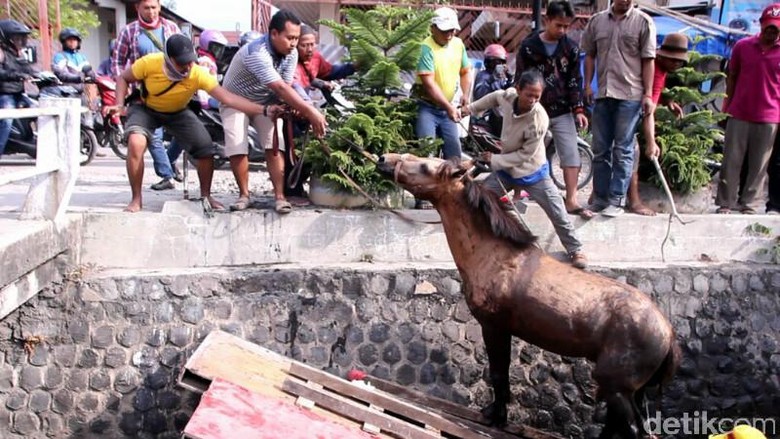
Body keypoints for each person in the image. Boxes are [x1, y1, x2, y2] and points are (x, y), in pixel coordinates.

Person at [107, 34, 273, 213]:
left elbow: (227, 98)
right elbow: (123, 78)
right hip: (146, 108)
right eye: (182, 63)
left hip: (177, 112)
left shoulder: (197, 73)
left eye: (190, 62)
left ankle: (206, 195)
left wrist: (263, 110)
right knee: (135, 142)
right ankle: (136, 199)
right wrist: (119, 104)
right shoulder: (149, 63)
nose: (187, 67)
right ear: (169, 59)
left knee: (205, 147)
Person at [461, 70, 588, 269]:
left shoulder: (539, 120)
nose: (532, 100)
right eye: (529, 94)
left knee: (557, 212)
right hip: (505, 171)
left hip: (532, 172)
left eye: (537, 97)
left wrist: (495, 159)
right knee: (478, 202)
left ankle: (575, 249)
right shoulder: (508, 97)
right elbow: (494, 97)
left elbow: (524, 155)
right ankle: (477, 242)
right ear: (518, 89)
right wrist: (469, 109)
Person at [220, 10, 327, 214]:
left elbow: (285, 87)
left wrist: (295, 108)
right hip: (236, 102)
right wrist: (311, 111)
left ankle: (279, 196)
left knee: (276, 142)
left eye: (296, 38)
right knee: (237, 144)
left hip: (266, 103)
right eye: (290, 38)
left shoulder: (291, 54)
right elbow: (280, 87)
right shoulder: (256, 52)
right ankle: (244, 195)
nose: (294, 43)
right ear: (274, 34)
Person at [516, 0, 591, 219]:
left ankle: (571, 199)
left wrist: (578, 109)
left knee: (570, 151)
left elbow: (575, 81)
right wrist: (519, 105)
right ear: (547, 20)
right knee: (524, 149)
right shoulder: (528, 46)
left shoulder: (571, 49)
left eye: (567, 26)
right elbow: (520, 78)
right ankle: (517, 193)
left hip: (561, 110)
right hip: (533, 109)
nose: (562, 30)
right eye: (558, 25)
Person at [581, 0, 656, 217]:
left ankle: (617, 200)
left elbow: (648, 59)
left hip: (630, 95)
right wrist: (587, 84)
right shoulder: (596, 21)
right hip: (603, 93)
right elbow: (590, 55)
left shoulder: (644, 22)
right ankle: (600, 198)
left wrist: (648, 94)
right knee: (600, 149)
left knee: (623, 149)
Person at [716, 3, 780, 215]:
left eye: (776, 28)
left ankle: (750, 204)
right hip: (739, 111)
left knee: (759, 165)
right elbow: (731, 77)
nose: (772, 32)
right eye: (769, 27)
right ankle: (725, 202)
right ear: (761, 25)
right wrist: (726, 106)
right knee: (731, 160)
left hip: (770, 115)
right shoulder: (742, 46)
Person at [113, 0, 181, 191]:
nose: (151, 12)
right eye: (146, 8)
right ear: (137, 8)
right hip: (144, 95)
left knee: (185, 133)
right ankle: (167, 175)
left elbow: (185, 55)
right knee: (153, 136)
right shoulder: (129, 32)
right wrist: (124, 84)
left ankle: (169, 163)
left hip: (172, 91)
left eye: (154, 7)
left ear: (159, 7)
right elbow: (118, 62)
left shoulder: (172, 28)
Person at [628, 32, 689, 216]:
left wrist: (667, 101)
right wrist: (651, 142)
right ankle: (634, 201)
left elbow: (655, 95)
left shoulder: (661, 70)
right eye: (673, 60)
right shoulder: (653, 69)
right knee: (633, 154)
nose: (677, 64)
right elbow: (648, 113)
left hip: (629, 111)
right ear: (662, 55)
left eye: (680, 61)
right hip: (627, 113)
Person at [164, 29, 228, 180]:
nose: (218, 51)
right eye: (216, 47)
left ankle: (169, 160)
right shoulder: (205, 61)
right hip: (199, 100)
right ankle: (169, 161)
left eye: (220, 48)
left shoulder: (205, 59)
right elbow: (202, 84)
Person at [414, 7, 471, 161]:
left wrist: (465, 95)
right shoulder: (426, 48)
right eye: (445, 31)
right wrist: (449, 107)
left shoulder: (458, 44)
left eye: (452, 30)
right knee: (427, 153)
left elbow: (465, 72)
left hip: (447, 110)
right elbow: (429, 84)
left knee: (454, 155)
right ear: (433, 28)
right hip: (427, 107)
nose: (449, 35)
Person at [0, 19, 36, 157]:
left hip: (19, 93)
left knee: (37, 109)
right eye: (17, 38)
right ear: (7, 38)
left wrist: (41, 76)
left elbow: (28, 70)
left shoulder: (20, 54)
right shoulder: (1, 53)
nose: (21, 41)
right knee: (7, 119)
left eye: (22, 38)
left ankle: (31, 139)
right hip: (4, 94)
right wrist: (18, 76)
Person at [293, 24, 356, 100]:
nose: (309, 49)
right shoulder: (289, 63)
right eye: (304, 45)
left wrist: (354, 66)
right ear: (295, 45)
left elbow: (330, 71)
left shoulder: (315, 58)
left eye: (312, 44)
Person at [472, 43, 512, 137]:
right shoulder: (483, 76)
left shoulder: (503, 77)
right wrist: (492, 78)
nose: (499, 65)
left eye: (501, 62)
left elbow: (509, 93)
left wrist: (510, 79)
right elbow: (479, 95)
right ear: (488, 61)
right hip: (487, 113)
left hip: (503, 110)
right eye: (496, 62)